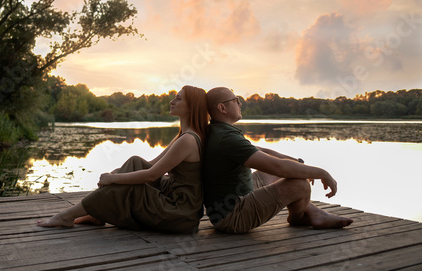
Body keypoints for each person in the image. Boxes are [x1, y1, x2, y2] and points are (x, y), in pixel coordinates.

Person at [38, 85, 209, 233]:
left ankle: (67, 216)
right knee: (136, 161)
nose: (172, 101)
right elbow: (150, 165)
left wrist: (113, 179)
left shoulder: (188, 140)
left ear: (191, 107)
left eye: (178, 99)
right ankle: (94, 213)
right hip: (175, 199)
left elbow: (151, 175)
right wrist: (118, 174)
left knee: (128, 186)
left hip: (180, 213)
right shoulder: (184, 135)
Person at [203, 87, 353, 234]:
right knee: (300, 184)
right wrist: (323, 173)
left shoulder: (219, 131)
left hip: (228, 204)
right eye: (236, 100)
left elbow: (264, 152)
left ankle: (315, 213)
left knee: (278, 173)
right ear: (222, 107)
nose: (240, 104)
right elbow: (278, 167)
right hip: (233, 216)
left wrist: (298, 163)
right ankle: (298, 217)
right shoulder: (227, 138)